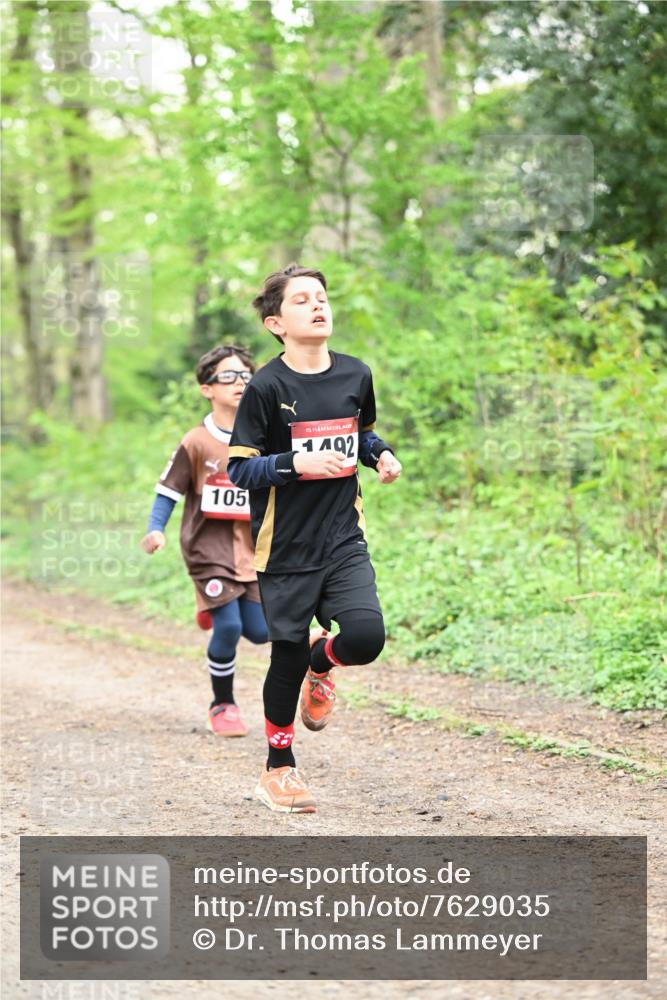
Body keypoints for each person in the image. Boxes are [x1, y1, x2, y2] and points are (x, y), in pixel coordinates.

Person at [228, 264, 402, 813]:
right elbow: (240, 471)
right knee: (285, 658)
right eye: (302, 300)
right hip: (283, 548)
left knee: (367, 636)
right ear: (277, 323)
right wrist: (296, 463)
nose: (318, 306)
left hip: (343, 536)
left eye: (322, 298)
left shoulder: (356, 374)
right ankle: (279, 768)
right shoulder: (266, 387)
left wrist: (380, 455)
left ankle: (322, 663)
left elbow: (362, 432)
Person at [141, 345, 268, 737]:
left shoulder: (263, 437)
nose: (239, 383)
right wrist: (155, 527)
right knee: (228, 628)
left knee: (262, 632)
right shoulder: (197, 441)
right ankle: (223, 705)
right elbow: (168, 491)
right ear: (206, 388)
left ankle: (210, 608)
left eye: (246, 375)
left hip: (252, 552)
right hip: (206, 551)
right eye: (228, 376)